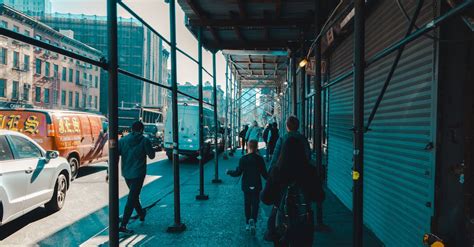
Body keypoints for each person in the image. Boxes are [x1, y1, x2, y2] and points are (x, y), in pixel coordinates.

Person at [261, 136, 325, 246]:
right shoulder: (309, 171)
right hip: (303, 222)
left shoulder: (276, 171)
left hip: (281, 224)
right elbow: (319, 196)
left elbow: (266, 198)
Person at [264, 116, 311, 242]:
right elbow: (308, 157)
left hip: (283, 180)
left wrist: (271, 174)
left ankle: (274, 232)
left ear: (287, 126)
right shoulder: (303, 139)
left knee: (277, 208)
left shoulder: (283, 139)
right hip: (301, 180)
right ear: (298, 126)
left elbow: (275, 158)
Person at [118, 121, 156, 234]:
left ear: (131, 128)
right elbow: (152, 156)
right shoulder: (145, 140)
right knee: (132, 197)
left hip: (126, 173)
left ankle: (141, 213)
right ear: (142, 130)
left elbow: (116, 155)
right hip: (138, 173)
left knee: (133, 195)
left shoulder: (123, 140)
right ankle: (123, 224)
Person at [226, 140, 268, 235]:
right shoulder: (260, 159)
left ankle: (247, 222)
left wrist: (229, 172)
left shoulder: (243, 159)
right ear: (257, 147)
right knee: (256, 203)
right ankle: (253, 220)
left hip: (246, 185)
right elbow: (265, 174)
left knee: (247, 203)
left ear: (248, 147)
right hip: (256, 185)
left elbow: (238, 173)